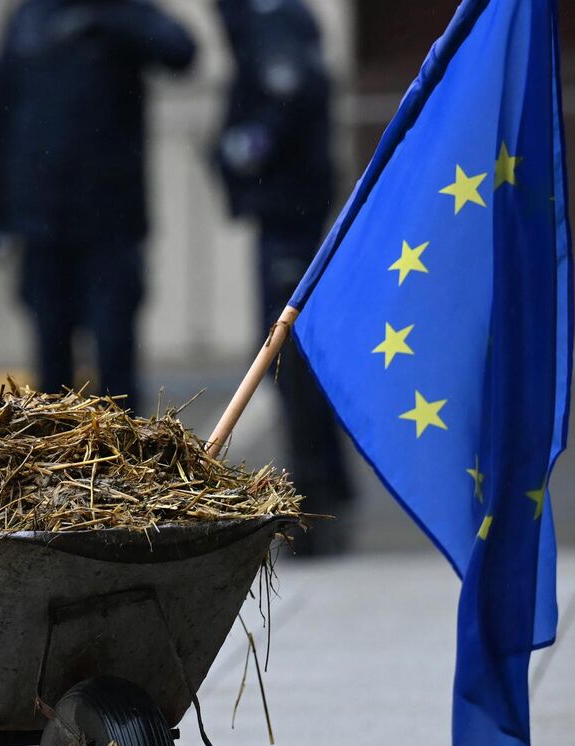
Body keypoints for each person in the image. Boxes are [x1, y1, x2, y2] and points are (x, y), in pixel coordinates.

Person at [0, 0, 197, 403]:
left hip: (110, 225)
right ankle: (55, 466)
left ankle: (129, 463)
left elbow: (181, 51)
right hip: (43, 223)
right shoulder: (29, 17)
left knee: (115, 361)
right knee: (51, 367)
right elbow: (1, 115)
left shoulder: (121, 12)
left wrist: (109, 18)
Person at [213, 0, 352, 555]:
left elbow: (285, 98)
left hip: (290, 213)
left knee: (289, 356)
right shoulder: (268, 20)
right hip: (284, 210)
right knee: (294, 354)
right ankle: (326, 482)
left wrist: (247, 146)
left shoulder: (273, 20)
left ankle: (314, 492)